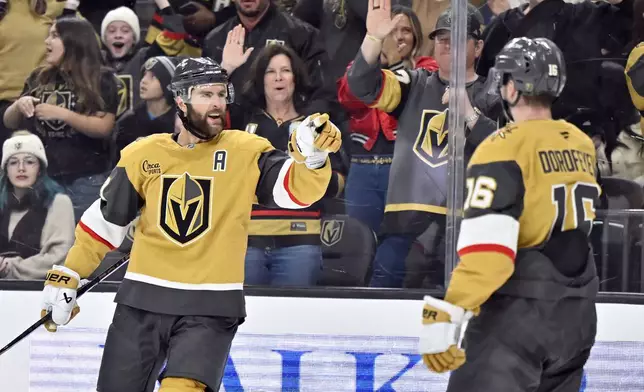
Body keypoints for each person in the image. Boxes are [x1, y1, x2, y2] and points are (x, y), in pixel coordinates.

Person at [38, 57, 342, 392]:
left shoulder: (245, 150)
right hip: (142, 301)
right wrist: (68, 274)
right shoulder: (144, 154)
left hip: (210, 307)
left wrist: (312, 158)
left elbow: (293, 192)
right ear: (181, 100)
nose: (216, 103)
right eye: (206, 94)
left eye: (221, 94)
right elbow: (104, 224)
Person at [419, 37, 600, 392]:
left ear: (513, 87)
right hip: (577, 318)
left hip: (519, 319)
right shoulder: (579, 143)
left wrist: (451, 309)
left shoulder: (502, 145)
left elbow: (490, 254)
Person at [347, 0, 499, 288]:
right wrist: (374, 38)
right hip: (406, 225)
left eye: (457, 39)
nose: (447, 46)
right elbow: (361, 86)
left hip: (467, 226)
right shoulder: (413, 83)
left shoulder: (494, 92)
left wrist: (470, 114)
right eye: (442, 39)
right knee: (381, 300)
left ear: (478, 47)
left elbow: (506, 150)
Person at [224, 36, 347, 286]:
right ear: (261, 79)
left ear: (295, 78)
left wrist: (315, 164)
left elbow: (339, 184)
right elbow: (193, 127)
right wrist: (225, 69)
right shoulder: (241, 122)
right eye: (271, 71)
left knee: (296, 322)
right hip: (246, 243)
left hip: (300, 244)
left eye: (285, 71)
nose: (278, 77)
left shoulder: (316, 125)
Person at [2, 16, 119, 221]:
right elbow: (8, 122)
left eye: (54, 36)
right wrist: (19, 106)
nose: (47, 42)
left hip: (86, 179)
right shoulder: (39, 77)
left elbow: (103, 127)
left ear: (74, 41)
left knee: (81, 247)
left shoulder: (102, 79)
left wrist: (62, 114)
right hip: (44, 180)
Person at [0, 131, 74, 280]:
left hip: (38, 292)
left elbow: (59, 258)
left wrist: (9, 267)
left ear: (39, 168)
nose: (21, 168)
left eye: (29, 161)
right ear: (6, 170)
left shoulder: (59, 203)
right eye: (13, 162)